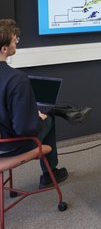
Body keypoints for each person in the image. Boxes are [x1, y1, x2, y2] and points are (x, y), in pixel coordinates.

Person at [0, 19, 68, 189]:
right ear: (4, 49)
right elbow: (25, 129)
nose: (17, 42)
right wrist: (36, 117)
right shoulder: (17, 79)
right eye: (15, 40)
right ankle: (49, 175)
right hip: (11, 147)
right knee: (49, 118)